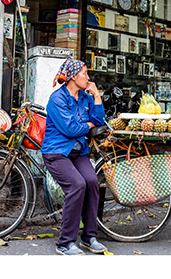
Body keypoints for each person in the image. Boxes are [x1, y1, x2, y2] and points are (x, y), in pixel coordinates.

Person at [41, 59, 109, 255]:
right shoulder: (57, 99)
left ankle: (89, 237)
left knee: (92, 182)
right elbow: (71, 129)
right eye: (84, 74)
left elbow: (98, 120)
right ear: (72, 77)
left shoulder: (85, 97)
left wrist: (96, 95)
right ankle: (65, 242)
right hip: (57, 152)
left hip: (78, 151)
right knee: (77, 185)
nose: (88, 78)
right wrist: (87, 126)